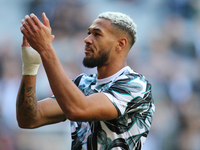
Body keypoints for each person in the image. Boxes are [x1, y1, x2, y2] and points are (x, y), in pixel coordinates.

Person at [17, 11, 155, 150]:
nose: (87, 39)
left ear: (120, 44)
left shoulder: (136, 85)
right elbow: (28, 119)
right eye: (89, 33)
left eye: (97, 34)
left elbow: (78, 110)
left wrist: (46, 49)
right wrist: (30, 66)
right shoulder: (82, 83)